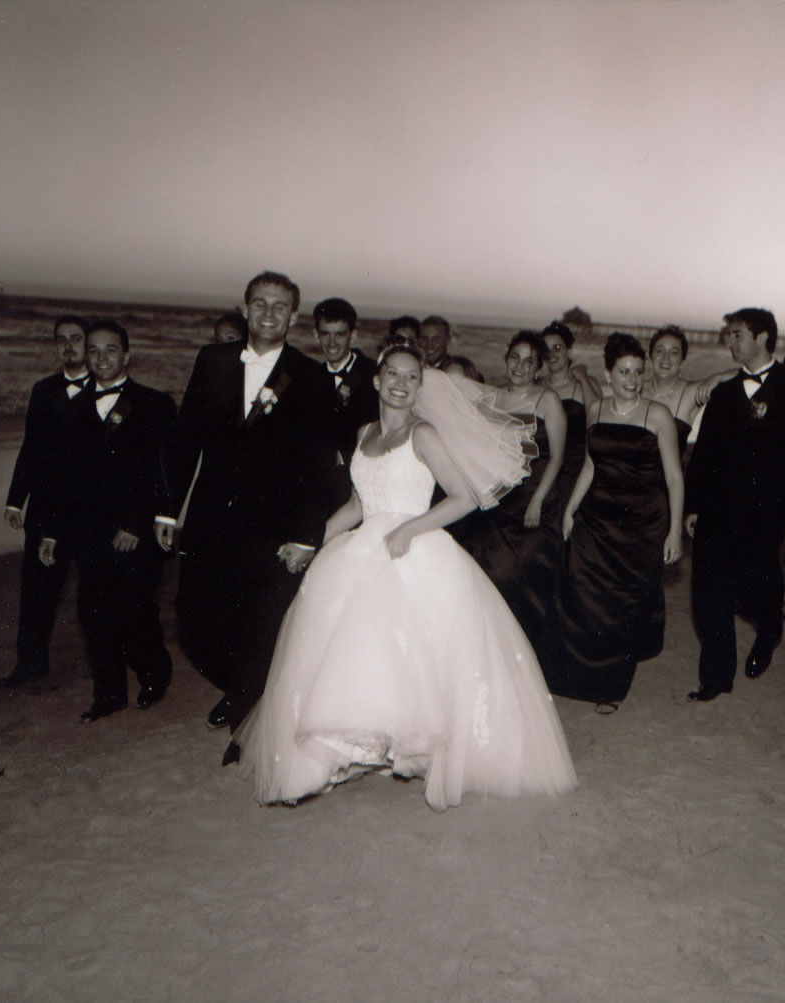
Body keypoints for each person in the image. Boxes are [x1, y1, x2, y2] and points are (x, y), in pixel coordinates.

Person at [233, 339, 576, 811]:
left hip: (413, 546)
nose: (401, 383)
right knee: (352, 649)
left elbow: (465, 496)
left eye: (412, 377)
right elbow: (357, 505)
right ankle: (347, 753)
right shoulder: (363, 434)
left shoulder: (424, 434)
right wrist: (311, 543)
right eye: (393, 374)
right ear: (377, 380)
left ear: (420, 387)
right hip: (362, 546)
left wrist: (411, 529)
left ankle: (414, 748)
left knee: (413, 654)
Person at [155, 271, 338, 731]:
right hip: (210, 518)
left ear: (293, 316)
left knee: (257, 621)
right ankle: (242, 686)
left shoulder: (311, 377)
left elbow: (320, 465)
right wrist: (167, 509)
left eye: (280, 306)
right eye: (260, 303)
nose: (269, 313)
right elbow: (185, 439)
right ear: (244, 308)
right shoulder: (212, 360)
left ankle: (243, 702)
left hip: (273, 527)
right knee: (193, 617)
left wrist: (307, 535)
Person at [39, 320, 176, 721]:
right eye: (94, 350)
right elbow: (57, 478)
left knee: (136, 612)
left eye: (110, 349)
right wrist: (50, 532)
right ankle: (109, 695)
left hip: (138, 531)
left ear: (127, 355)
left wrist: (136, 523)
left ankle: (154, 673)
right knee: (93, 614)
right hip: (87, 531)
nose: (101, 358)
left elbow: (164, 473)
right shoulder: (69, 408)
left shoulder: (155, 405)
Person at [684, 308, 785, 702]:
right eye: (728, 335)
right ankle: (716, 678)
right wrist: (694, 506)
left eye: (737, 334)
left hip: (766, 514)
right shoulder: (723, 394)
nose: (730, 341)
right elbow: (704, 455)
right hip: (717, 511)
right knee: (708, 595)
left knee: (755, 590)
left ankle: (770, 627)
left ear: (762, 338)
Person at [548, 334, 684, 712]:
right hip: (597, 517)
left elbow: (674, 477)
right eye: (624, 372)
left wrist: (674, 530)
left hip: (642, 524)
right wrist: (570, 510)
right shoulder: (595, 410)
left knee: (625, 605)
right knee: (584, 593)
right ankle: (579, 675)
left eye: (638, 372)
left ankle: (611, 687)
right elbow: (590, 465)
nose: (632, 380)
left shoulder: (657, 415)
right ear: (608, 374)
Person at [0, 315, 91, 689]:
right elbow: (31, 448)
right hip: (45, 507)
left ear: (88, 344)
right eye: (61, 339)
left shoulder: (106, 391)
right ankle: (30, 663)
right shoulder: (43, 390)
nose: (68, 346)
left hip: (88, 510)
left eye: (76, 338)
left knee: (98, 590)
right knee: (36, 589)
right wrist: (15, 500)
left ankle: (107, 663)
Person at [462, 332, 565, 665]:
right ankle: (494, 655)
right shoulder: (492, 396)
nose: (520, 366)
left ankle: (528, 659)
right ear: (506, 359)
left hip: (535, 500)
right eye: (515, 358)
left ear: (538, 368)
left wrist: (538, 501)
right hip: (499, 500)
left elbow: (558, 457)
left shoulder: (547, 400)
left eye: (529, 361)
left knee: (526, 581)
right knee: (491, 577)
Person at [313, 296, 378, 508]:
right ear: (315, 335)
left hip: (364, 484)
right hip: (321, 487)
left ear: (353, 335)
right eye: (325, 334)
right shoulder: (309, 378)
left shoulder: (375, 374)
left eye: (340, 334)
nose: (332, 343)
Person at [538, 321, 603, 513]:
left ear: (570, 351)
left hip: (577, 471)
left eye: (557, 348)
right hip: (544, 471)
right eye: (546, 349)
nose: (551, 354)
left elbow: (600, 418)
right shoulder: (536, 385)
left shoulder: (585, 383)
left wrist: (583, 378)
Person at [643, 325, 735, 455]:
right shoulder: (635, 390)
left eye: (674, 352)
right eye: (659, 351)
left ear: (683, 360)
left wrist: (717, 377)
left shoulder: (691, 392)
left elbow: (746, 373)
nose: (666, 358)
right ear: (650, 356)